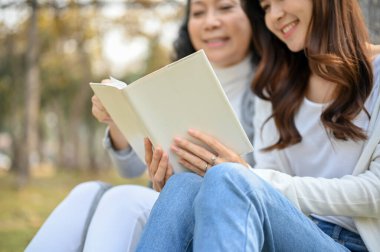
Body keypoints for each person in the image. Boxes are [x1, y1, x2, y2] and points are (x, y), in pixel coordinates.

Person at [135, 0, 380, 251]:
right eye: (266, 7)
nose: (274, 16)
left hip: (354, 244)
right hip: (291, 230)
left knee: (229, 177)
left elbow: (376, 191)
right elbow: (268, 182)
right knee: (183, 185)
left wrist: (251, 179)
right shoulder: (275, 88)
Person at [25, 0, 259, 251]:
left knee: (123, 200)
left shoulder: (272, 87)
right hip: (168, 200)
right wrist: (116, 117)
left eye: (225, 8)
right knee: (87, 192)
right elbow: (130, 167)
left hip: (221, 211)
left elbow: (273, 183)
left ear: (256, 15)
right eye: (199, 12)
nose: (210, 22)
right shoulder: (171, 81)